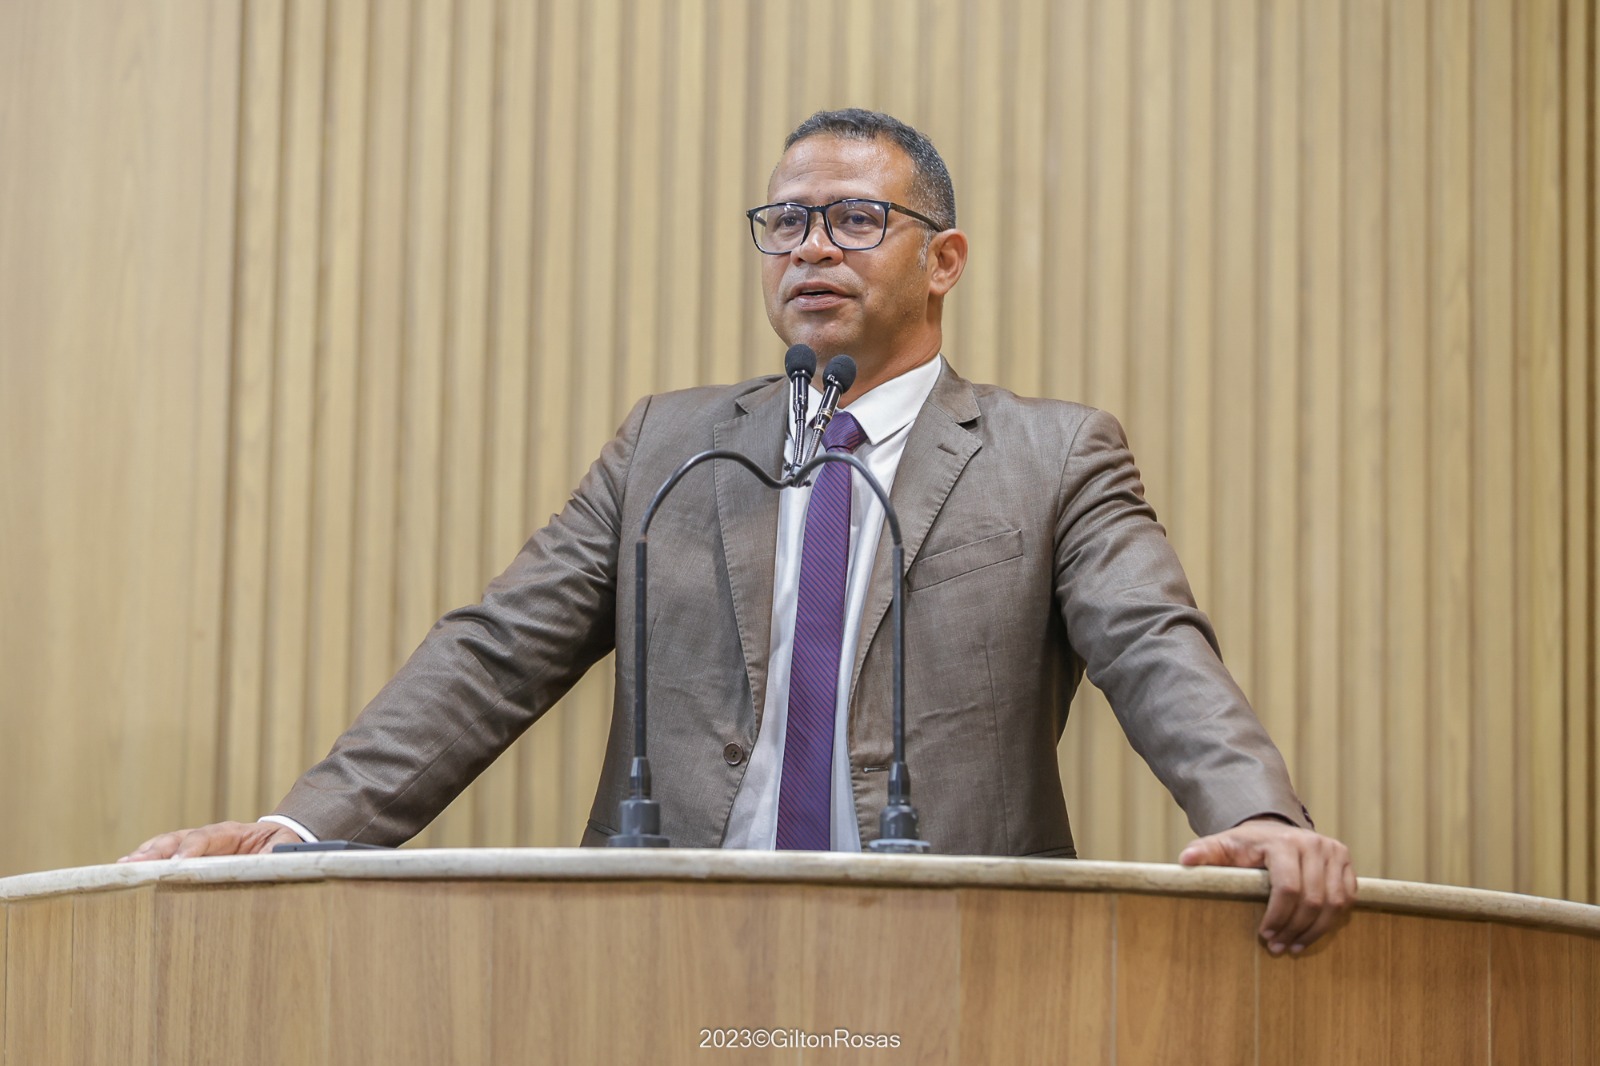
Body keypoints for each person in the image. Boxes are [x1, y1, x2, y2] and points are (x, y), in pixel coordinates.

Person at [123, 109, 1353, 955]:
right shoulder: (668, 448)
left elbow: (1153, 644)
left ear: (944, 260)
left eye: (855, 219)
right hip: (672, 947)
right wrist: (304, 830)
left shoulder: (1050, 456)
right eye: (784, 221)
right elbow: (494, 653)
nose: (811, 245)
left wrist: (1258, 814)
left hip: (960, 948)